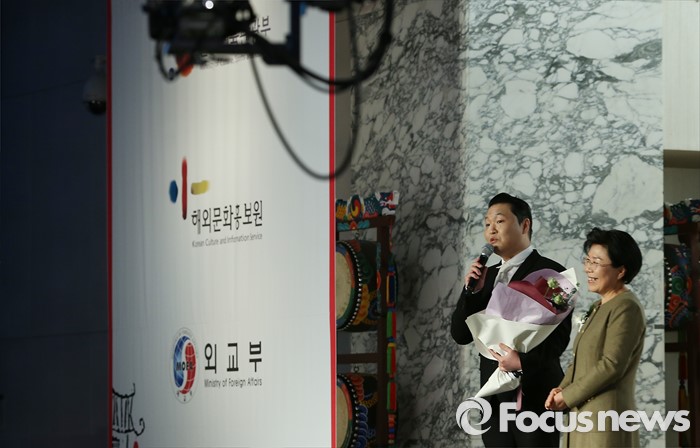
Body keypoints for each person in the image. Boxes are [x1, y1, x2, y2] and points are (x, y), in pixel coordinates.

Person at [451, 192, 572, 447]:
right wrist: (471, 293)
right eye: (487, 224)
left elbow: (558, 340)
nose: (491, 230)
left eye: (499, 221)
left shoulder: (552, 273)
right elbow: (460, 335)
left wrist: (521, 361)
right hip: (494, 402)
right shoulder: (484, 276)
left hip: (535, 399)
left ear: (524, 225)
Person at [545, 227, 645, 447]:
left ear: (621, 270)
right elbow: (580, 360)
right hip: (583, 417)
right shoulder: (599, 306)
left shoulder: (626, 307)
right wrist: (562, 388)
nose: (588, 268)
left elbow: (612, 364)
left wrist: (567, 396)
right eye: (588, 260)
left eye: (596, 262)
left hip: (606, 421)